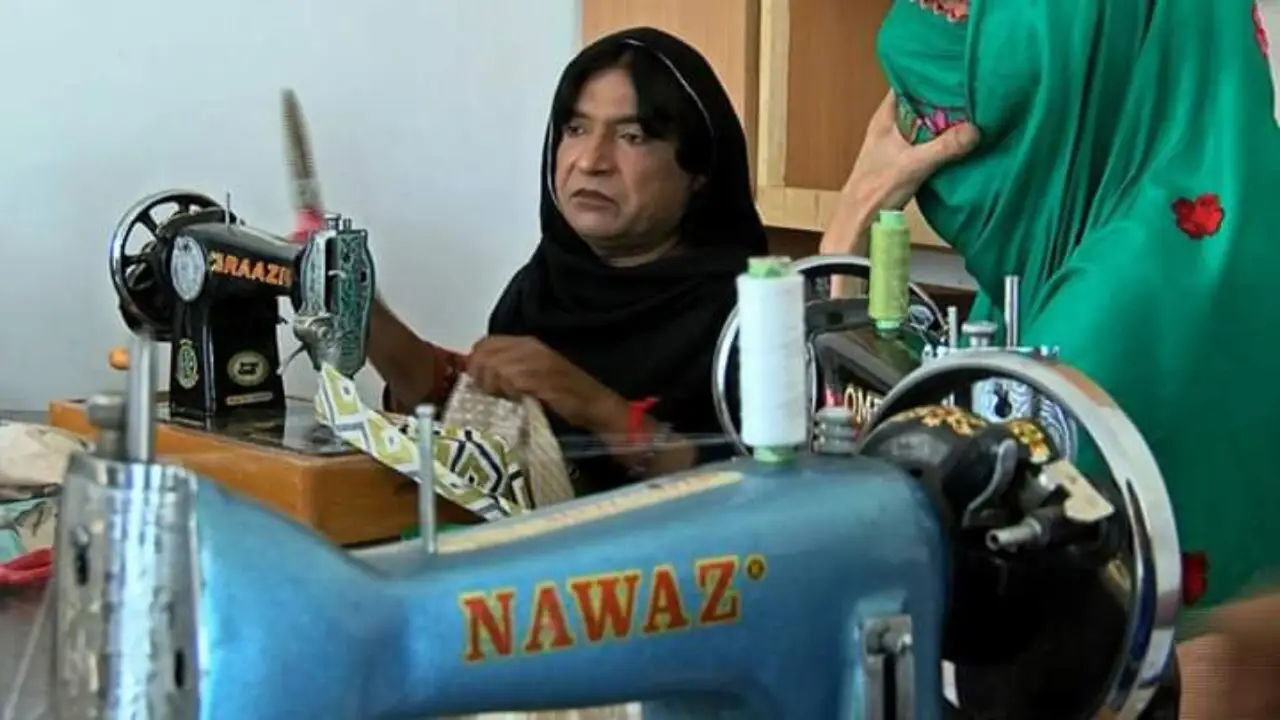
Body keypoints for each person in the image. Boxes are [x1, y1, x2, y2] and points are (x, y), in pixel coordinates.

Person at [369, 27, 767, 497]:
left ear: (698, 172)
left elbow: (766, 497)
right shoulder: (542, 289)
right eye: (576, 129)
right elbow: (482, 433)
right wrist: (358, 307)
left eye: (632, 136)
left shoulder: (750, 315)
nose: (591, 161)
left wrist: (598, 408)